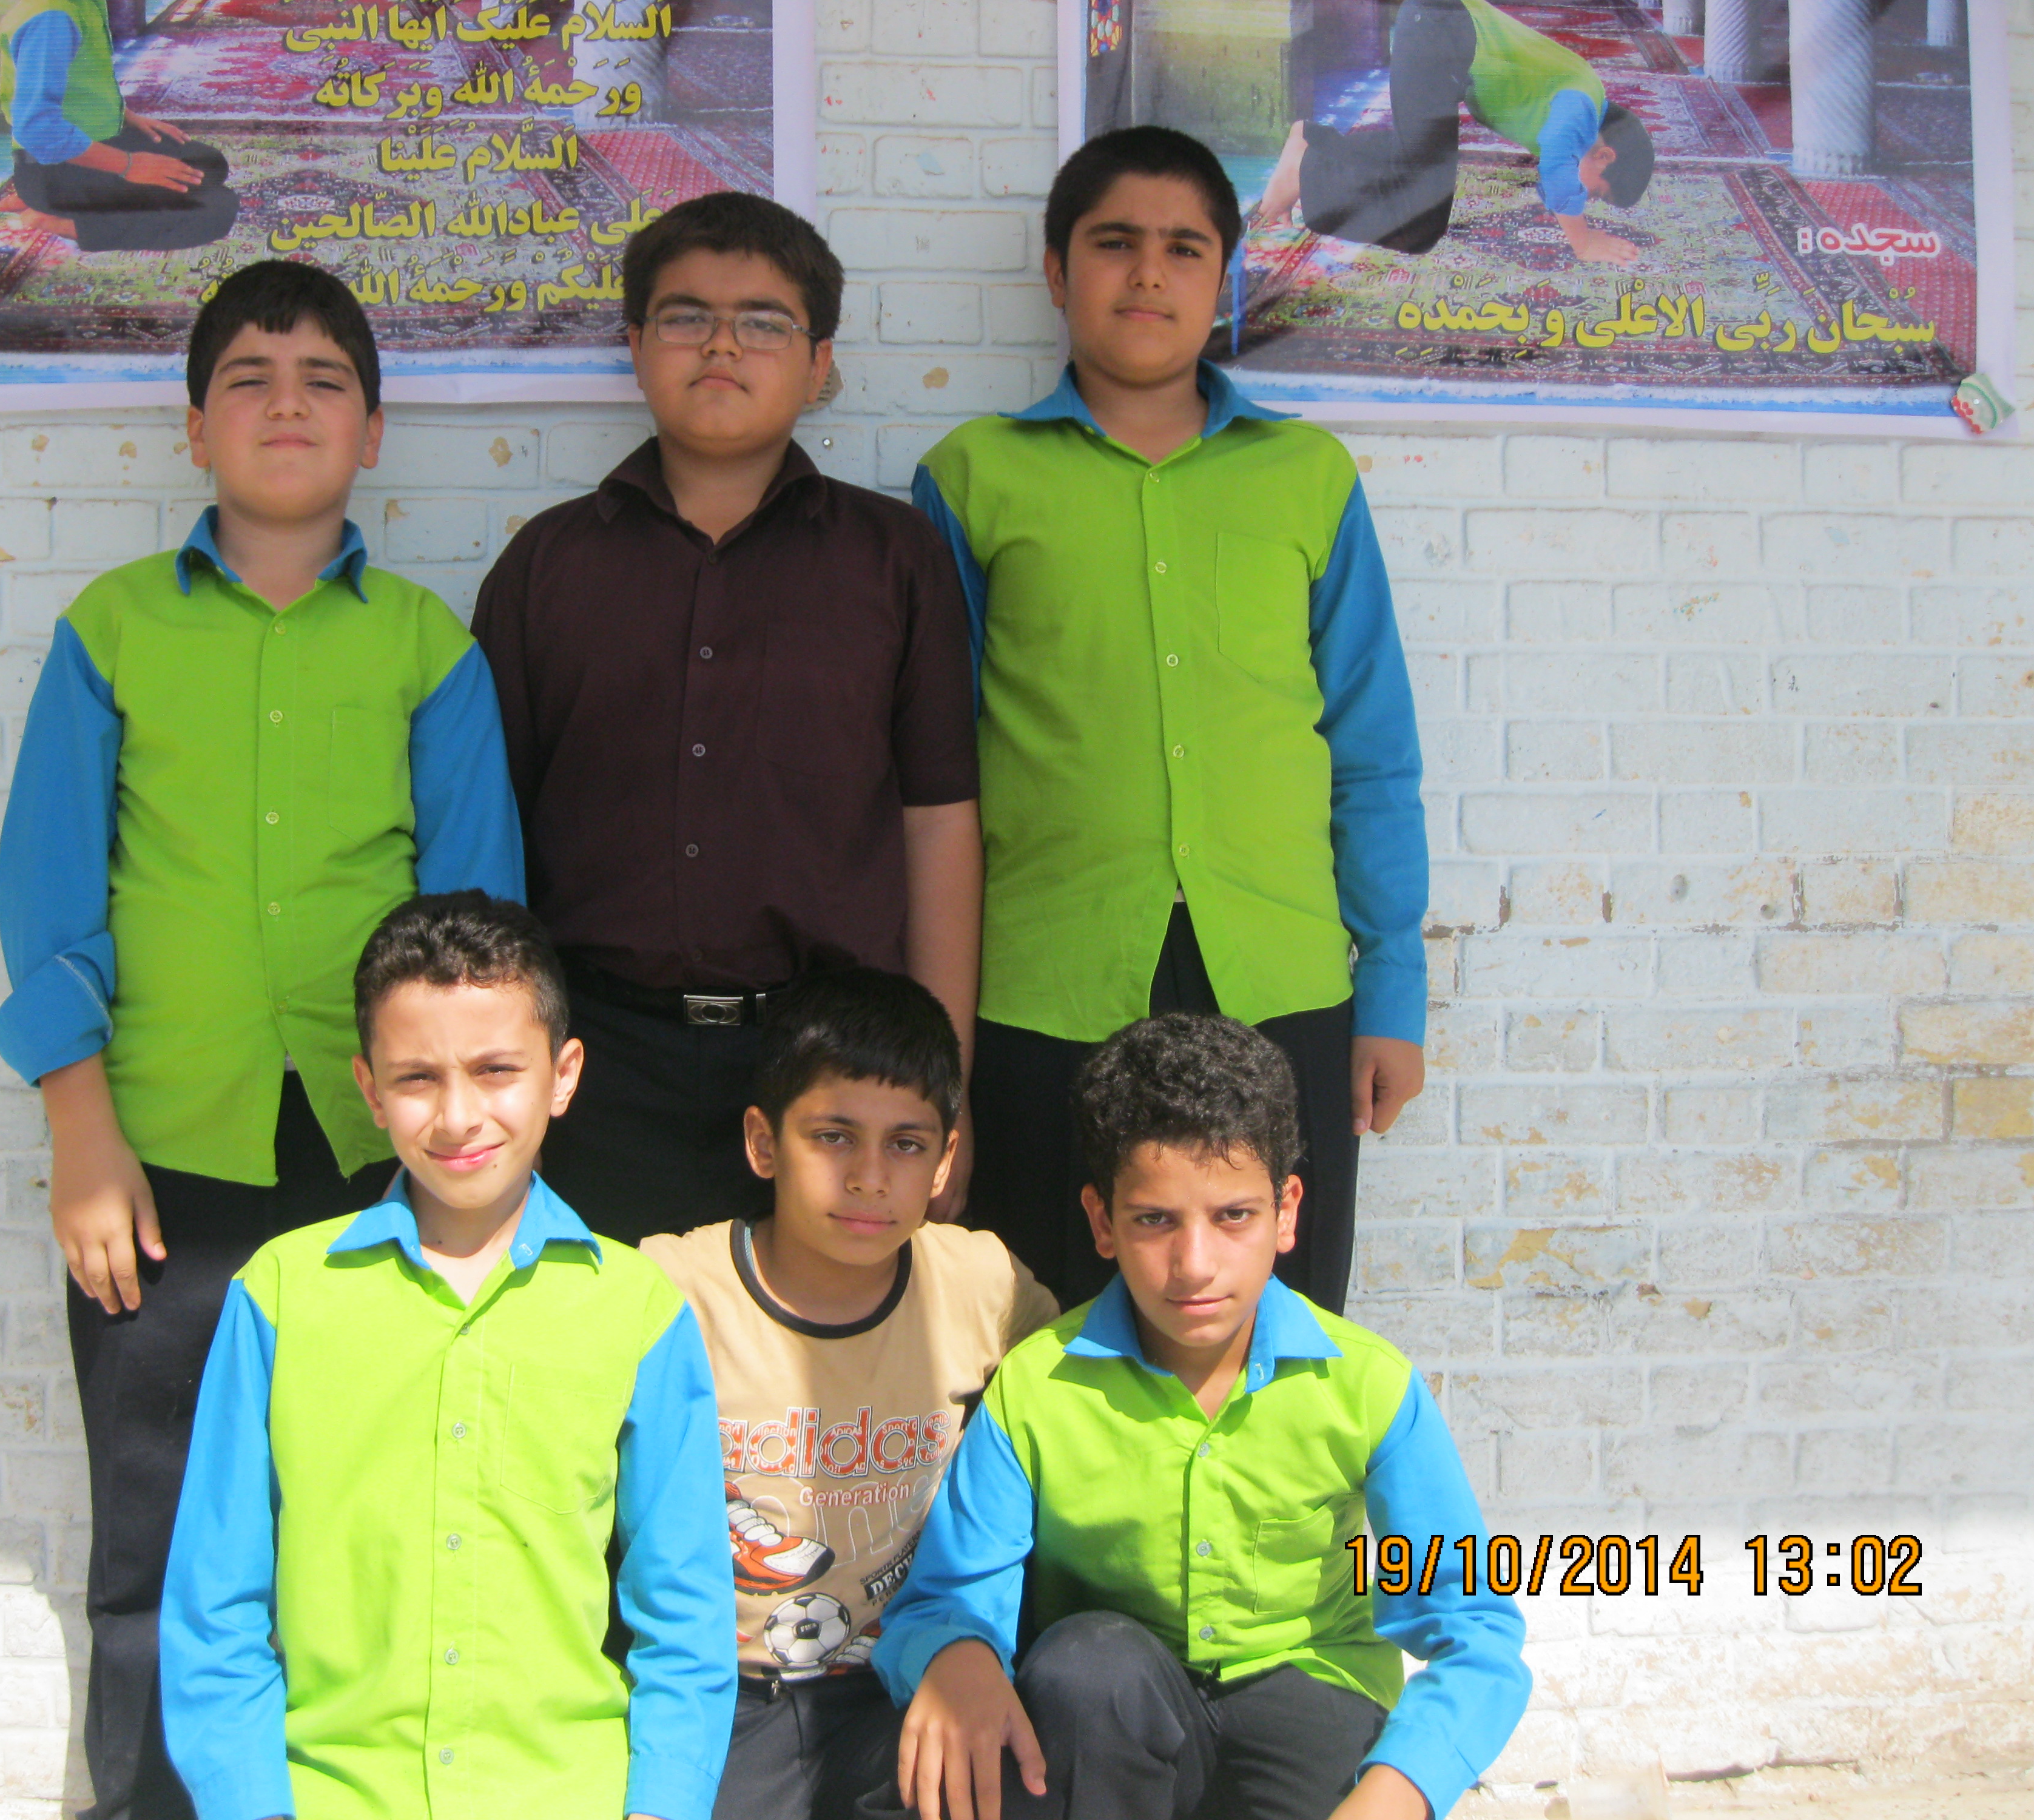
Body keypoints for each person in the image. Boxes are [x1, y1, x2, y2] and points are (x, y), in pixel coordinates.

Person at [0, 261, 522, 1819]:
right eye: (248, 378)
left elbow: (480, 919)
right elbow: (46, 889)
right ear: (193, 429)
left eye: (322, 380)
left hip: (379, 1157)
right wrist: (80, 1132)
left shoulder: (426, 646)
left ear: (373, 431)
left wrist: (461, 1166)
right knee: (159, 1530)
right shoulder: (112, 631)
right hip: (158, 1156)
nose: (286, 404)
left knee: (370, 1516)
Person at [913, 126, 1427, 1312]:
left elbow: (1370, 745)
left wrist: (1392, 987)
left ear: (1224, 276)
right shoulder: (972, 479)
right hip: (1045, 988)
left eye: (1184, 248)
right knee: (1045, 1324)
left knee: (1276, 1327)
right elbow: (935, 776)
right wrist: (943, 1051)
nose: (1148, 273)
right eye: (1114, 244)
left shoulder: (1306, 477)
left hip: (1282, 980)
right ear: (1057, 272)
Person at [471, 190, 983, 1245]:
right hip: (597, 1063)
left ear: (820, 361)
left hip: (838, 1064)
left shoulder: (895, 563)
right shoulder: (547, 567)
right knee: (611, 1337)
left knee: (817, 1348)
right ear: (634, 345)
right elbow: (490, 842)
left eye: (763, 321)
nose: (721, 345)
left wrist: (944, 1082)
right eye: (686, 316)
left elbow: (938, 824)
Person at [160, 891, 735, 1820]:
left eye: (497, 1070)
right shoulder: (280, 1295)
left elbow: (686, 1612)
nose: (460, 1115)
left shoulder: (637, 1309)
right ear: (369, 1089)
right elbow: (214, 1605)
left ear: (564, 1075)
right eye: (418, 1078)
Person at [869, 1013, 1530, 1820]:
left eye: (1233, 1216)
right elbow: (943, 1601)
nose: (1195, 1265)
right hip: (1114, 1728)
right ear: (1102, 1222)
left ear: (1286, 1212)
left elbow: (1475, 1630)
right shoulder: (1037, 1387)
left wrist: (1399, 1792)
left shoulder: (1370, 1386)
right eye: (1155, 1220)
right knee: (1086, 1667)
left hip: (1312, 1702)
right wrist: (956, 1654)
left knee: (1337, 1737)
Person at [640, 969, 1057, 1820]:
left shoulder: (982, 1284)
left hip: (902, 1693)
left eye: (906, 1144)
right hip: (721, 1703)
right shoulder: (671, 1289)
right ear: (763, 1143)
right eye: (834, 1137)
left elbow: (1085, 1403)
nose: (870, 1177)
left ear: (945, 1160)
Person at [1253, 0, 1657, 264]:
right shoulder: (1582, 106)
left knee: (1414, 168)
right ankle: (1304, 170)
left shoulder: (1583, 106)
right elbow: (1557, 166)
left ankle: (1312, 142)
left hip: (1440, 36)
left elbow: (1555, 181)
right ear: (1605, 155)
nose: (1585, 199)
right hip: (1440, 32)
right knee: (1419, 221)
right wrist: (1583, 242)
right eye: (1596, 192)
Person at [0, 0, 239, 251]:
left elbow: (80, 84)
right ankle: (67, 221)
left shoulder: (80, 5)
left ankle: (44, 197)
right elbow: (37, 130)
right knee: (217, 208)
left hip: (88, 144)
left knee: (210, 164)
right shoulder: (51, 19)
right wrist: (130, 165)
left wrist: (125, 116)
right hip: (54, 168)